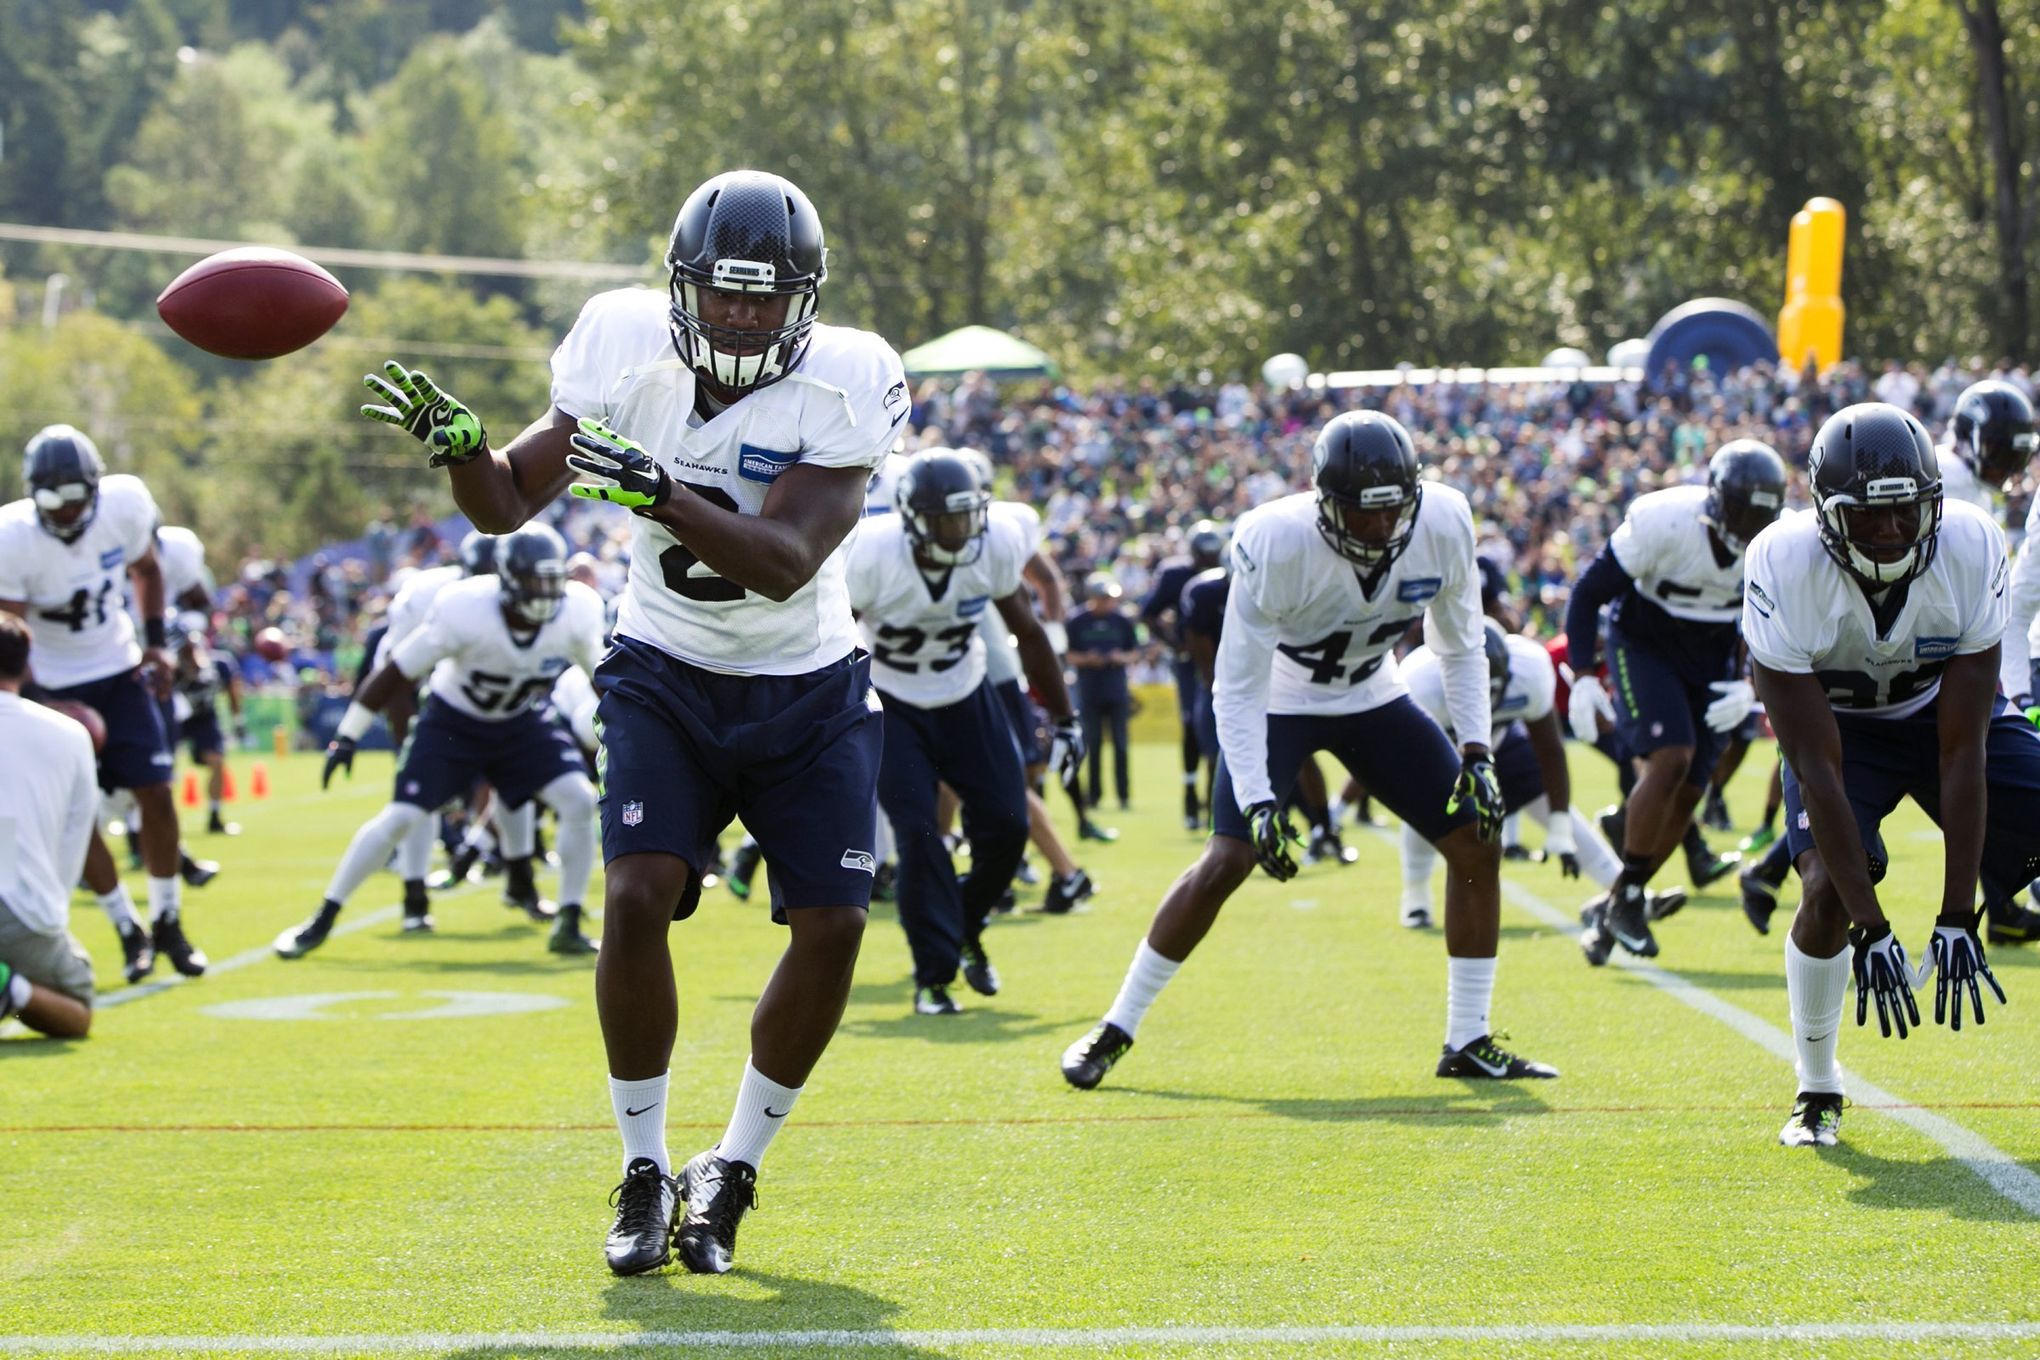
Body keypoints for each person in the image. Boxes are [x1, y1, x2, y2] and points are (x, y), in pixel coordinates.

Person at [358, 169, 907, 1277]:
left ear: (805, 299)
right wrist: (463, 449)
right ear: (681, 288)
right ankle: (646, 1165)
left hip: (808, 676)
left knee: (837, 925)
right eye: (726, 295)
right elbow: (510, 501)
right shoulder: (618, 345)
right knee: (636, 890)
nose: (745, 316)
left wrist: (658, 491)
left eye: (767, 298)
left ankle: (733, 1167)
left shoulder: (852, 376)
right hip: (661, 663)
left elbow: (785, 561)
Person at [1060, 411, 1555, 1091]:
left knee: (1476, 842)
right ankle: (1116, 1027)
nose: (1381, 529)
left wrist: (1476, 750)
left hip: (1373, 693)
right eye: (1362, 514)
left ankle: (1467, 1037)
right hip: (1278, 696)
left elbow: (1460, 645)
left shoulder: (1443, 521)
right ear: (1325, 502)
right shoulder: (1275, 539)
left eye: (1392, 512)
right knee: (1228, 857)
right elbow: (1232, 688)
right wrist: (1261, 802)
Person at [1745, 402, 2028, 1147]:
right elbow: (1815, 763)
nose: (1895, 531)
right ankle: (1818, 1087)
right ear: (1827, 515)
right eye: (1872, 518)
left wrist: (1958, 912)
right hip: (1842, 734)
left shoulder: (1970, 543)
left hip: (1939, 713)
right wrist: (1872, 928)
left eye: (1907, 512)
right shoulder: (1782, 563)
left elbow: (1963, 749)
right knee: (1831, 885)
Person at [276, 524, 604, 954]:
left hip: (521, 720)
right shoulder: (465, 608)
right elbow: (395, 673)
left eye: (550, 580)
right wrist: (346, 737)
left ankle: (569, 920)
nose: (543, 592)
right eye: (532, 581)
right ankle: (322, 918)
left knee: (579, 800)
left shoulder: (577, 612)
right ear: (507, 580)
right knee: (401, 817)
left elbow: (601, 681)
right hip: (454, 722)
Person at [846, 449, 1081, 1013]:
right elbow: (832, 641)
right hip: (894, 700)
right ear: (911, 518)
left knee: (1007, 827)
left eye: (966, 516)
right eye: (944, 520)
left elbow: (1029, 632)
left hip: (964, 691)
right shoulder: (870, 553)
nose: (959, 531)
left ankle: (965, 925)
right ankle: (935, 975)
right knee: (919, 835)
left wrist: (1067, 718)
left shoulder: (997, 540)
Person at [1566, 440, 1787, 965]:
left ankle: (1620, 898)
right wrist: (1581, 674)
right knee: (1672, 760)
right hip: (1645, 644)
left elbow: (1788, 623)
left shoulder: (1782, 545)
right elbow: (1587, 593)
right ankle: (1630, 896)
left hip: (1712, 657)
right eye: (1739, 512)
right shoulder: (1663, 521)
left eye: (1759, 516)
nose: (1746, 526)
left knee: (1690, 793)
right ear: (1714, 501)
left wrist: (1752, 685)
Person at [0, 426, 208, 982]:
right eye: (50, 498)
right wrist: (44, 700)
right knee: (80, 815)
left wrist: (158, 645)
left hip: (117, 668)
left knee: (158, 795)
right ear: (31, 493)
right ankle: (125, 926)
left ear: (95, 488)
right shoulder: (13, 536)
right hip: (51, 681)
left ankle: (168, 920)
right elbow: (12, 632)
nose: (64, 511)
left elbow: (147, 570)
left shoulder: (125, 503)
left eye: (74, 497)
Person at [1397, 621, 1678, 929]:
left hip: (1500, 738)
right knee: (1427, 810)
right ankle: (1416, 899)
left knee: (1554, 806)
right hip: (1444, 749)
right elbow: (1412, 767)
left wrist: (1557, 826)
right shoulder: (1419, 684)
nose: (1482, 698)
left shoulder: (1528, 670)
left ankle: (1625, 892)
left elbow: (1549, 749)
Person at [0, 614, 98, 1039]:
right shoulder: (70, 733)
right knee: (77, 1008)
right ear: (25, 664)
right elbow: (75, 839)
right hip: (25, 911)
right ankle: (12, 989)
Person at [1142, 523, 1226, 828]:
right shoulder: (1176, 575)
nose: (1208, 561)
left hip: (1230, 661)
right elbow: (1148, 613)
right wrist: (1177, 645)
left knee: (1226, 727)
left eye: (1212, 555)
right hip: (1194, 662)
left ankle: (1215, 800)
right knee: (1194, 723)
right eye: (1203, 555)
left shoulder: (1229, 573)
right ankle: (1192, 795)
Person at [1065, 572, 1140, 810]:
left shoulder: (1122, 620)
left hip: (1116, 690)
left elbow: (1135, 651)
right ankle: (1094, 796)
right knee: (1093, 745)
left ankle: (1123, 795)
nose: (1108, 602)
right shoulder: (1076, 620)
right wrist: (1087, 660)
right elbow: (1067, 654)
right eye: (1104, 598)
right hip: (1089, 691)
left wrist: (1121, 657)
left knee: (1121, 745)